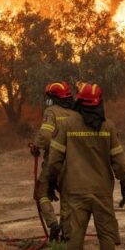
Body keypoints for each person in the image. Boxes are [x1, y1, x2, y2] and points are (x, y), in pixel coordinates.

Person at [47, 82, 125, 250]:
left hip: (74, 192)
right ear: (99, 102)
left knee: (73, 240)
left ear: (79, 101)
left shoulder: (68, 125)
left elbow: (55, 159)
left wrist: (51, 182)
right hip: (102, 191)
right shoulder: (108, 126)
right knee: (107, 236)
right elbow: (119, 161)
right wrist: (124, 183)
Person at [30, 81, 79, 241]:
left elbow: (45, 135)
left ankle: (53, 225)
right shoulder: (76, 114)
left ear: (54, 98)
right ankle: (67, 235)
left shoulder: (51, 111)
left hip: (54, 162)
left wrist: (36, 146)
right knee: (66, 198)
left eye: (49, 97)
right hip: (73, 164)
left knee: (41, 193)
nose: (47, 100)